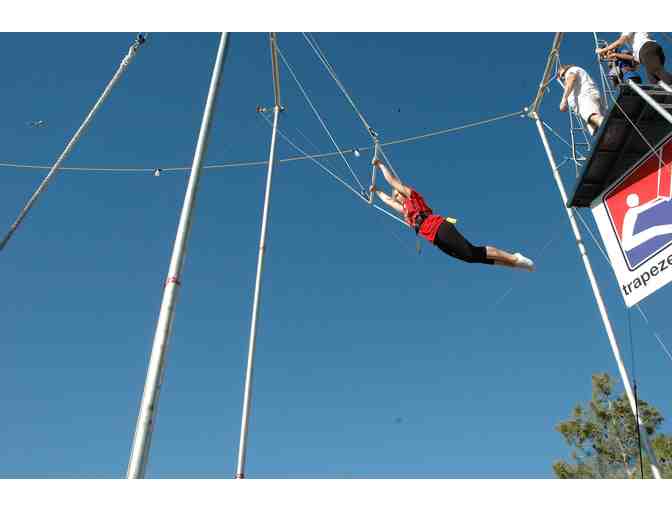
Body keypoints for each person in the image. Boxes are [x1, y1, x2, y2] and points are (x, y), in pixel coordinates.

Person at [369, 158, 535, 271]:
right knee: (470, 257)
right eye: (395, 195)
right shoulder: (406, 212)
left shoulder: (413, 196)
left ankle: (513, 258)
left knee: (471, 252)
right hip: (434, 238)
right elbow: (388, 202)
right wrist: (376, 191)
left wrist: (380, 165)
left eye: (397, 194)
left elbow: (392, 181)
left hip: (438, 226)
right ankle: (514, 263)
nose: (396, 196)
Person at [597, 33, 672, 86]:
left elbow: (620, 42)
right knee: (654, 81)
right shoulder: (633, 45)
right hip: (644, 54)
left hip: (646, 49)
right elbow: (634, 58)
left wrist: (603, 50)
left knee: (657, 71)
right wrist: (614, 55)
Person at [557, 64, 604, 136]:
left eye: (563, 75)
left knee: (593, 117)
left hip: (586, 99)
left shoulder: (570, 71)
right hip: (588, 99)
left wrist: (564, 99)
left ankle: (610, 126)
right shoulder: (572, 72)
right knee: (594, 128)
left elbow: (571, 78)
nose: (563, 78)